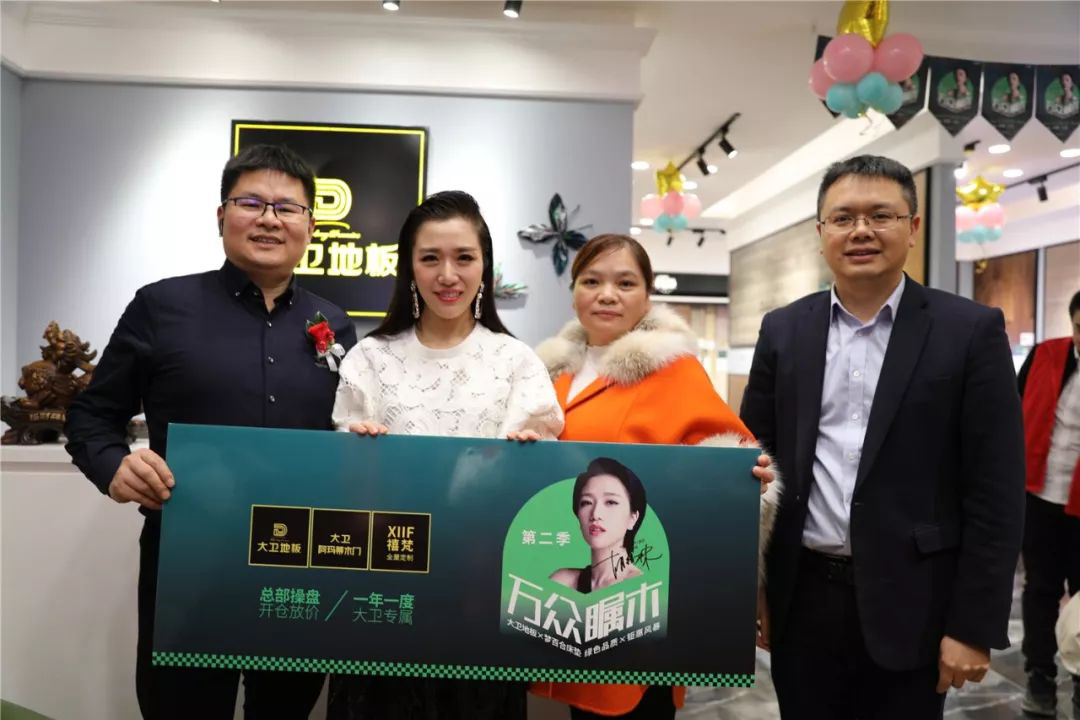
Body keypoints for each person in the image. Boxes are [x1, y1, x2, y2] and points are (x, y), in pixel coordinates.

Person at [65, 144, 356, 719]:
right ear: (222, 215)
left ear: (310, 226)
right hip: (189, 560)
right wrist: (115, 465)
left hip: (299, 564)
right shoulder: (161, 306)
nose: (269, 219)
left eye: (287, 208)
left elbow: (347, 434)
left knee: (286, 710)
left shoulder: (334, 323)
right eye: (251, 203)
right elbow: (92, 415)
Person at [741, 154, 1025, 719]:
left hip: (916, 601)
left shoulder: (969, 331)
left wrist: (973, 626)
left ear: (913, 227)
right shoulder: (783, 329)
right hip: (804, 599)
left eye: (881, 215)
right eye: (843, 218)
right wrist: (754, 587)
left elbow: (996, 490)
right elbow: (753, 468)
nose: (861, 230)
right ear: (821, 232)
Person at [327, 190, 563, 720]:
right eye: (430, 258)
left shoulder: (517, 362)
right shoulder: (371, 358)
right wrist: (354, 452)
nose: (447, 275)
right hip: (385, 587)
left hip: (483, 591)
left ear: (485, 266)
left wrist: (531, 464)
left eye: (464, 257)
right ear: (409, 267)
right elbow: (344, 486)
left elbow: (534, 501)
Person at [530, 233, 779, 720]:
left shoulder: (672, 370)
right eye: (592, 281)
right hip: (558, 591)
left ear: (646, 297)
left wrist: (747, 482)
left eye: (625, 283)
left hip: (639, 599)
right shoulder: (548, 372)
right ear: (574, 293)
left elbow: (730, 458)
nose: (607, 294)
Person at [1017, 289, 1080, 718]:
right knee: (1039, 589)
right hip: (1039, 496)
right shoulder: (1044, 354)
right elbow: (1012, 408)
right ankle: (1039, 674)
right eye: (1079, 328)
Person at [551, 457, 648, 593]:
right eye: (586, 502)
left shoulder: (641, 589)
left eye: (611, 502)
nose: (595, 514)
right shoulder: (562, 582)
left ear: (633, 518)